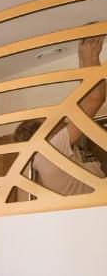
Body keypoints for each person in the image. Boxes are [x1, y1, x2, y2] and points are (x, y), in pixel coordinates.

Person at [13, 33, 105, 196]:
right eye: (48, 122)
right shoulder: (51, 150)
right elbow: (95, 98)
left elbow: (84, 102)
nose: (58, 119)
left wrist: (83, 63)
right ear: (44, 135)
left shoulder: (50, 152)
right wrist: (90, 58)